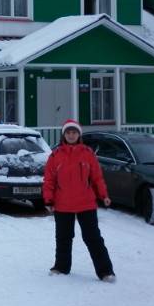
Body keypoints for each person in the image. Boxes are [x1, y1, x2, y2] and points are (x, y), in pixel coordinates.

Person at [42, 119, 116, 282]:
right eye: (68, 132)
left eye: (74, 132)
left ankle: (105, 271)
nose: (71, 135)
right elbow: (49, 180)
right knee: (63, 238)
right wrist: (48, 200)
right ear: (64, 135)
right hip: (63, 204)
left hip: (86, 203)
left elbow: (97, 177)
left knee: (93, 237)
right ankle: (61, 267)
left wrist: (104, 195)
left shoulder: (87, 153)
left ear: (79, 135)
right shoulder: (55, 155)